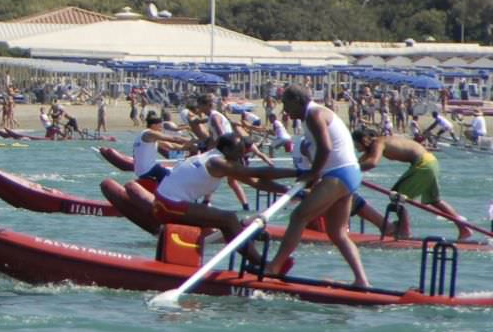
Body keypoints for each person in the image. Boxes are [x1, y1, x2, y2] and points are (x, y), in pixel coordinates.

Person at [261, 86, 370, 287]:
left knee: (298, 217)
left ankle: (274, 267)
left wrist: (312, 175)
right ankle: (362, 280)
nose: (285, 110)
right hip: (349, 173)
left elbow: (326, 148)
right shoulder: (313, 115)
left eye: (286, 103)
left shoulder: (314, 114)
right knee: (337, 233)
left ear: (298, 101)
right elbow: (324, 150)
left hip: (339, 174)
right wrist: (310, 156)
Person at [150, 133, 285, 244]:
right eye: (238, 151)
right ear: (226, 150)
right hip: (169, 205)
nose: (241, 155)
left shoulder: (214, 156)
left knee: (224, 222)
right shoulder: (218, 162)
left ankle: (241, 229)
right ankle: (258, 263)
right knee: (229, 219)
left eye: (243, 152)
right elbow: (255, 174)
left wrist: (287, 190)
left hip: (163, 201)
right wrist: (296, 173)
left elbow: (255, 182)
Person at [353, 126, 475, 241]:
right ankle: (464, 228)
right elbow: (358, 162)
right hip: (431, 161)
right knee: (434, 201)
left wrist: (351, 170)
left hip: (424, 164)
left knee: (397, 195)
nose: (355, 147)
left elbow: (372, 163)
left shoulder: (378, 142)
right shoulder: (376, 144)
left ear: (364, 140)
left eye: (356, 144)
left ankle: (404, 231)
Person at [129, 113, 185, 185]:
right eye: (160, 126)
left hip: (139, 171)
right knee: (171, 177)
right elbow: (173, 138)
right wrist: (190, 140)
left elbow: (170, 146)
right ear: (153, 125)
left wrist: (184, 147)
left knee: (160, 168)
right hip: (148, 170)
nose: (162, 128)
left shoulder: (145, 136)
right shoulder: (149, 134)